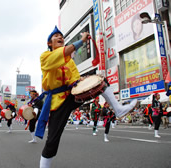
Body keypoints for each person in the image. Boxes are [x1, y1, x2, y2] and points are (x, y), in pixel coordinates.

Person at [36, 26, 137, 168]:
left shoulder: (69, 62)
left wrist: (84, 81)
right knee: (52, 141)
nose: (60, 37)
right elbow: (62, 53)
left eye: (61, 36)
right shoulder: (45, 57)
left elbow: (75, 80)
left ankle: (118, 109)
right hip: (57, 102)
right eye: (56, 36)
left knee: (101, 83)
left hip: (71, 96)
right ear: (49, 43)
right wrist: (81, 41)